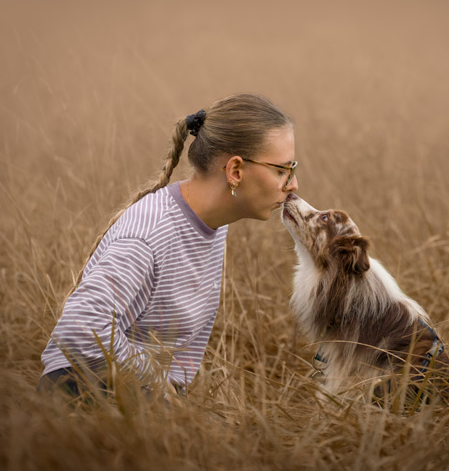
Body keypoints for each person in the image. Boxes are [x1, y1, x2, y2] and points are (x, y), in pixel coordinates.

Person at [37, 93, 298, 396]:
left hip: (143, 396)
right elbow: (80, 327)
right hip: (82, 390)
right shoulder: (149, 234)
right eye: (282, 171)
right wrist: (157, 382)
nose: (293, 185)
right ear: (235, 171)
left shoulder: (213, 224)